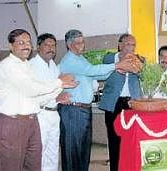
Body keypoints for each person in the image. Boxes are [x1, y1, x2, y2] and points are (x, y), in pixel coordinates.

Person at [0, 29, 77, 171]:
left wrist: (61, 87)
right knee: (12, 166)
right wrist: (58, 82)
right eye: (21, 43)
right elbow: (30, 88)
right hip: (13, 122)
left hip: (32, 122)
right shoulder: (8, 65)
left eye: (28, 42)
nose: (26, 46)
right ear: (11, 46)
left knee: (34, 165)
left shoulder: (27, 65)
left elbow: (38, 99)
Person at [58, 29, 136, 171]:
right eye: (78, 42)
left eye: (82, 41)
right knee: (73, 152)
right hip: (73, 111)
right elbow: (92, 70)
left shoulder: (80, 58)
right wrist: (117, 66)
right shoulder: (70, 60)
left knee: (83, 151)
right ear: (69, 45)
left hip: (83, 110)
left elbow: (95, 75)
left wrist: (116, 70)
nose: (82, 45)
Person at [98, 33, 142, 171]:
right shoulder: (109, 58)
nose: (131, 47)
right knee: (114, 139)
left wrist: (140, 66)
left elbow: (145, 78)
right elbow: (102, 72)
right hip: (114, 103)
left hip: (132, 104)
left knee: (131, 139)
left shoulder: (139, 60)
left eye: (133, 45)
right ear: (120, 45)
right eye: (128, 44)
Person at [29, 33, 73, 171]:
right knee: (39, 153)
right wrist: (56, 97)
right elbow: (34, 94)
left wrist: (62, 95)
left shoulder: (53, 65)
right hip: (39, 114)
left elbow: (56, 87)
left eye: (53, 45)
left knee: (53, 152)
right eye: (47, 45)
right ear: (38, 47)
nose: (51, 48)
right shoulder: (31, 66)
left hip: (54, 113)